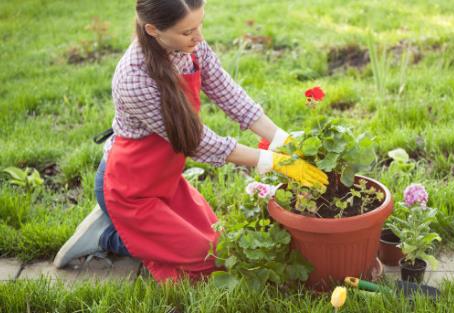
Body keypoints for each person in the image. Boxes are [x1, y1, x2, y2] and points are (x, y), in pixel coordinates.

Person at [53, 0, 328, 282]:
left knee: (221, 244)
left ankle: (126, 230)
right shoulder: (134, 78)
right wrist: (269, 161)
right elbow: (196, 142)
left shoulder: (191, 48)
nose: (198, 37)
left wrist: (280, 139)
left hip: (166, 181)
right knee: (208, 260)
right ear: (152, 30)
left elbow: (228, 92)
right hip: (130, 189)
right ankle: (107, 235)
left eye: (199, 25)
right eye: (187, 32)